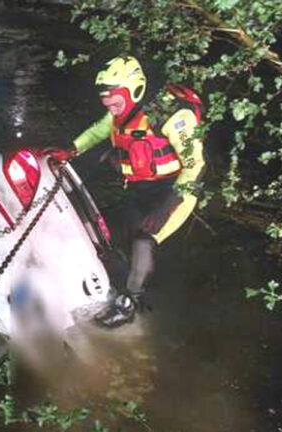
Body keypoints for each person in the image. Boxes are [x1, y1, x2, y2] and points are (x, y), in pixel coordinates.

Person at [57, 56, 206, 328]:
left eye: (114, 101)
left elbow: (195, 167)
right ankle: (103, 281)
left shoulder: (175, 116)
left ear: (133, 90)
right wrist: (70, 150)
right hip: (140, 187)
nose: (109, 107)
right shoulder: (120, 114)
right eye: (106, 101)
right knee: (102, 229)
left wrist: (165, 209)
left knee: (143, 240)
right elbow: (98, 131)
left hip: (175, 191)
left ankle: (130, 304)